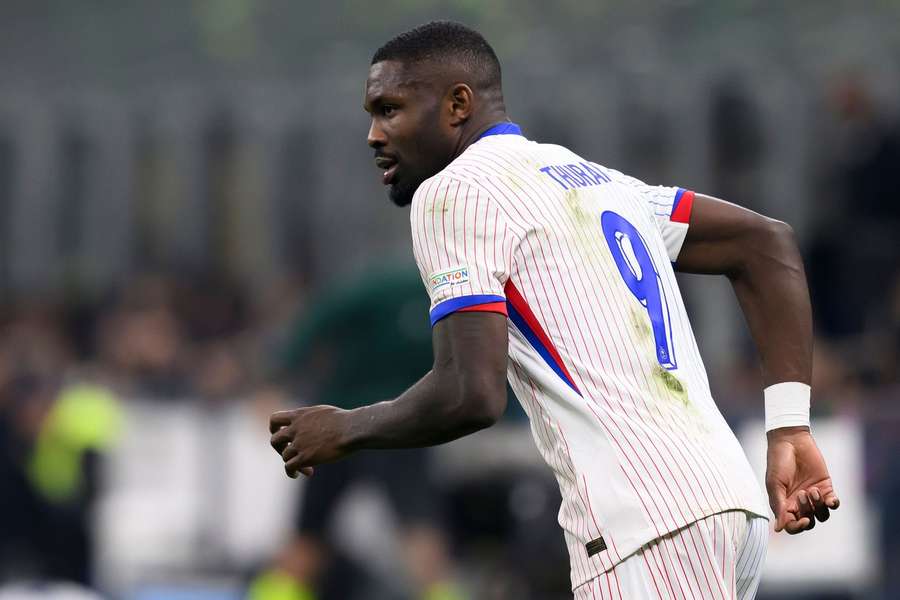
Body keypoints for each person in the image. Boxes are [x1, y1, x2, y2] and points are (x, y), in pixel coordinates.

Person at [270, 21, 839, 599]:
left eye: (389, 109)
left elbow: (471, 394)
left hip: (643, 523)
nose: (373, 134)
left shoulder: (455, 190)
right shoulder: (594, 180)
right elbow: (765, 243)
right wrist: (789, 426)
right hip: (724, 505)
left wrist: (346, 427)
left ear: (457, 104)